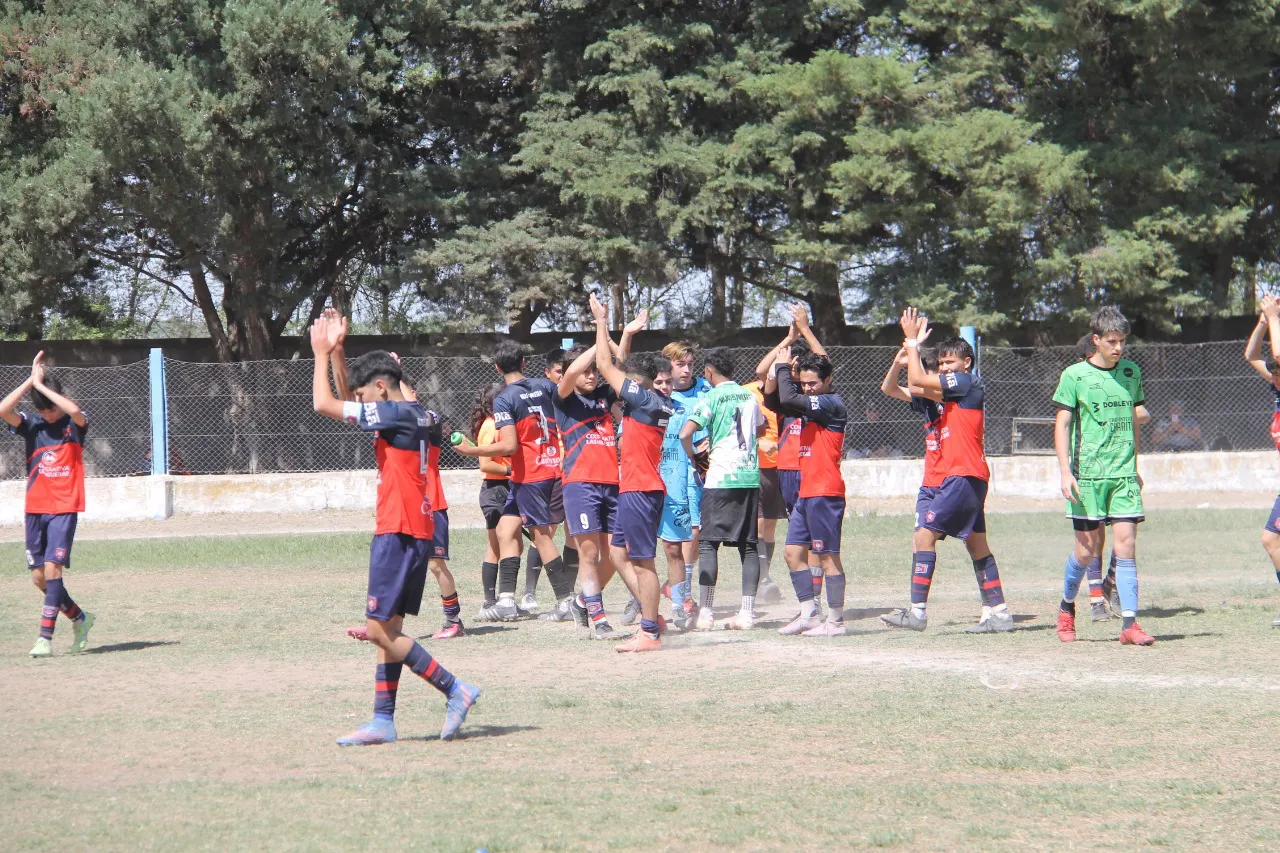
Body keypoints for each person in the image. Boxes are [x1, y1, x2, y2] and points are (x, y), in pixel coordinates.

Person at [310, 313, 478, 745]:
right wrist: (341, 352)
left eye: (366, 395)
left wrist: (320, 355)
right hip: (418, 528)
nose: (361, 399)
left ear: (381, 389)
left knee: (381, 631)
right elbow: (351, 392)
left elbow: (326, 404)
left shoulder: (396, 414)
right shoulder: (424, 414)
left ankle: (454, 688)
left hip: (397, 529)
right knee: (389, 628)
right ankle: (383, 720)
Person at [880, 310, 1012, 633]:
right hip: (963, 477)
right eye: (941, 364)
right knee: (976, 545)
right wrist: (905, 355)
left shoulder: (968, 383)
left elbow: (917, 381)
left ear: (966, 363)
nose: (944, 368)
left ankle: (918, 614)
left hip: (962, 476)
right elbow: (904, 386)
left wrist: (912, 341)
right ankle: (1001, 613)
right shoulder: (947, 396)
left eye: (949, 363)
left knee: (924, 536)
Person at [453, 340, 576, 621]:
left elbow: (509, 446)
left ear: (497, 367)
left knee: (541, 536)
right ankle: (507, 600)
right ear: (524, 363)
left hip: (533, 476)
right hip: (536, 474)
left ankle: (565, 601)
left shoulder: (505, 398)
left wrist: (473, 450)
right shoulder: (544, 386)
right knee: (505, 531)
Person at [1052, 305, 1153, 646]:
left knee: (1127, 546)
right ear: (1096, 340)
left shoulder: (1131, 372)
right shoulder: (1074, 376)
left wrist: (1136, 466)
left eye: (1122, 341)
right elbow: (1063, 424)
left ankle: (1129, 625)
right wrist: (1066, 471)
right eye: (1112, 341)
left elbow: (1135, 422)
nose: (1119, 347)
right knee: (1085, 550)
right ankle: (1067, 608)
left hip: (1123, 474)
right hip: (1089, 477)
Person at [588, 295, 676, 651]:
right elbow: (616, 366)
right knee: (619, 553)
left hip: (641, 490)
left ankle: (650, 631)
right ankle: (654, 617)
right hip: (636, 488)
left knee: (643, 562)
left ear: (637, 383)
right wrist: (627, 334)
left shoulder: (643, 399)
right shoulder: (653, 401)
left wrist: (601, 321)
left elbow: (604, 364)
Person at [552, 314, 644, 639]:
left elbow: (616, 361)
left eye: (594, 371)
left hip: (611, 483)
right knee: (589, 554)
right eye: (586, 371)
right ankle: (600, 620)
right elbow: (576, 369)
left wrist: (624, 331)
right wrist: (600, 331)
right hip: (580, 483)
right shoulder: (563, 398)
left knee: (617, 554)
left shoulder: (604, 395)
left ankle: (581, 602)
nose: (591, 376)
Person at [1, 352, 94, 657]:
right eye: (45, 410)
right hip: (35, 509)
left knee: (54, 569)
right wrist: (32, 382)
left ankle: (45, 638)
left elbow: (77, 411)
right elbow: (3, 410)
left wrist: (50, 391)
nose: (50, 415)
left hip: (64, 507)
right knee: (39, 578)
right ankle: (80, 618)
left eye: (53, 409)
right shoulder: (33, 425)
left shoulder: (73, 426)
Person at [772, 312, 851, 637]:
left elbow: (789, 396)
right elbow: (780, 397)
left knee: (827, 557)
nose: (807, 389)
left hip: (825, 491)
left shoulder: (832, 403)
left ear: (828, 381)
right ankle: (808, 612)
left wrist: (782, 366)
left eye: (812, 383)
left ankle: (836, 621)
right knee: (793, 553)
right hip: (807, 492)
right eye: (803, 383)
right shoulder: (809, 403)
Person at [680, 348, 765, 631]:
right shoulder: (750, 396)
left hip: (720, 478)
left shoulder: (711, 397)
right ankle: (748, 613)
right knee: (749, 546)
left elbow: (686, 432)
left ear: (709, 371)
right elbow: (759, 428)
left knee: (707, 544)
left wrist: (693, 455)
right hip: (749, 476)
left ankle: (706, 612)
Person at [1073, 332, 1151, 621]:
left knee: (1126, 535)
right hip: (1090, 471)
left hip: (1121, 470)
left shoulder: (1123, 380)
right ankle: (1096, 599)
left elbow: (1141, 414)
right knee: (1094, 537)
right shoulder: (1078, 386)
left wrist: (1135, 466)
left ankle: (1110, 585)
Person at [760, 313, 831, 614]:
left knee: (816, 541)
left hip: (811, 473)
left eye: (802, 372)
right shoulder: (783, 399)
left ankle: (814, 599)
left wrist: (806, 330)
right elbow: (762, 372)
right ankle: (808, 602)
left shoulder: (818, 398)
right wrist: (787, 343)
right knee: (797, 540)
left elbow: (825, 362)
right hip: (786, 473)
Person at [657, 339, 711, 628]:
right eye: (680, 364)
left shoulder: (705, 390)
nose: (687, 370)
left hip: (691, 474)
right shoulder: (656, 393)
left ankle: (683, 592)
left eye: (690, 364)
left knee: (693, 531)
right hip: (660, 474)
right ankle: (644, 596)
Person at [1244, 294, 1280, 628]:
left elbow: (1278, 354)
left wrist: (1274, 316)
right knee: (1271, 539)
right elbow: (1252, 354)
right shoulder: (1278, 389)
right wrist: (1264, 322)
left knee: (1271, 539)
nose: (1274, 372)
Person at [743, 375, 784, 604]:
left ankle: (761, 580)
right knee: (757, 526)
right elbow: (732, 428)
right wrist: (759, 443)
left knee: (769, 527)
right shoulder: (746, 392)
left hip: (780, 468)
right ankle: (764, 579)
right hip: (755, 467)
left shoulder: (785, 394)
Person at [472, 383, 512, 614]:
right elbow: (486, 464)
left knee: (510, 543)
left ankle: (507, 599)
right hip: (495, 489)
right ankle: (489, 600)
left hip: (508, 487)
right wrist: (510, 471)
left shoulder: (505, 426)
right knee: (496, 546)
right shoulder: (490, 426)